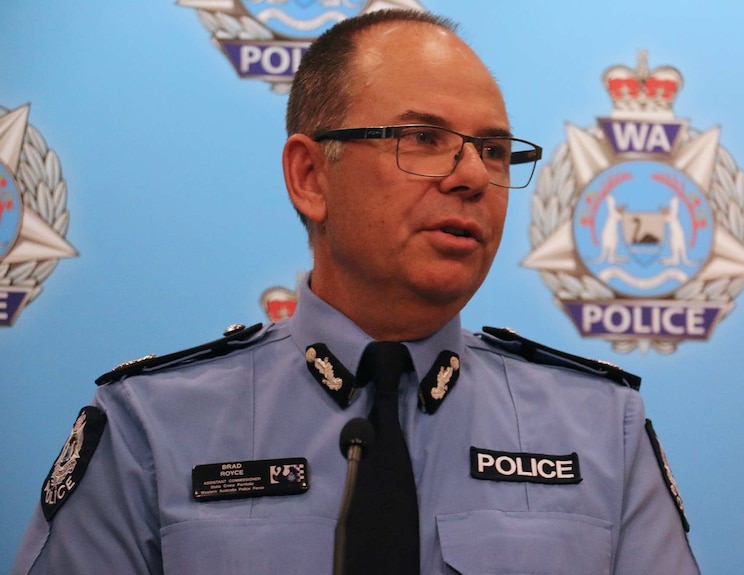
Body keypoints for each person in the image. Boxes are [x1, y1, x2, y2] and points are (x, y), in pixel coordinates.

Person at [12, 9, 700, 575]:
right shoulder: (150, 430)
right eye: (424, 138)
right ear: (311, 176)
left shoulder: (602, 429)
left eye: (494, 150)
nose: (471, 177)